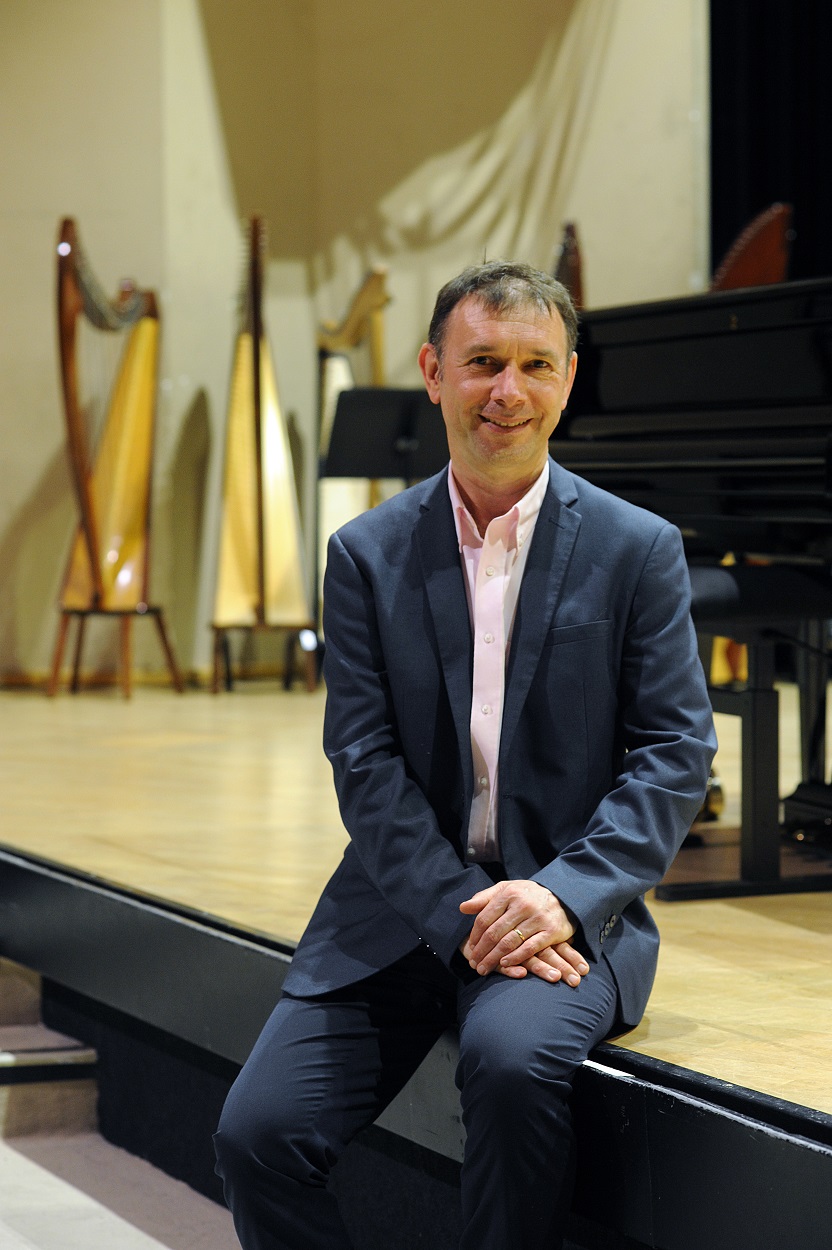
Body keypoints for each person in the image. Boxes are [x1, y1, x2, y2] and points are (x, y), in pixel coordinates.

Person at [214, 260, 717, 1250]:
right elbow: (362, 762)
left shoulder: (637, 547)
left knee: (511, 1061)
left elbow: (672, 752)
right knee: (257, 1133)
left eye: (535, 365)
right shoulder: (365, 551)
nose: (507, 391)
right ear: (432, 372)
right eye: (482, 361)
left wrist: (561, 893)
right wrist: (466, 914)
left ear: (568, 379)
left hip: (564, 917)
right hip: (397, 910)